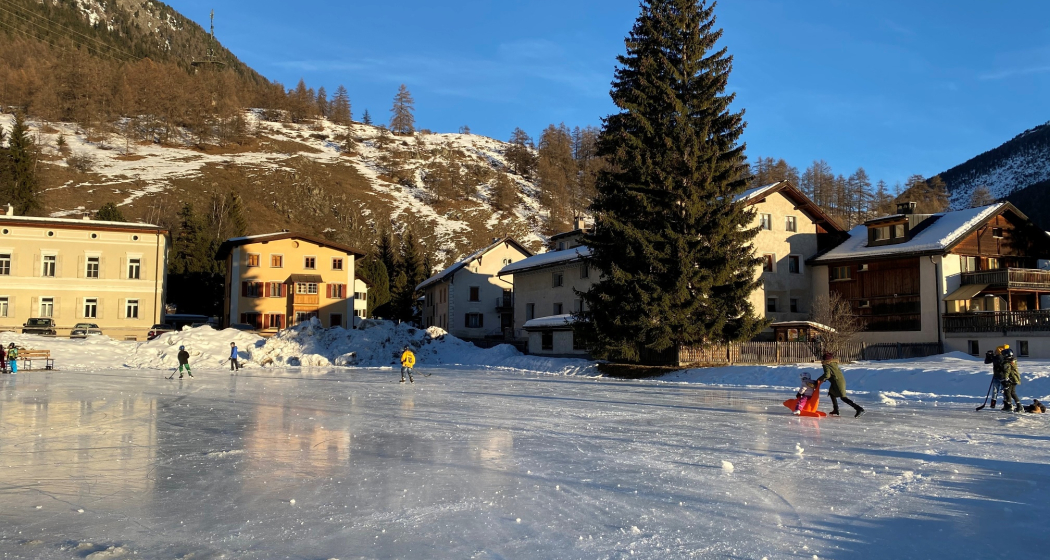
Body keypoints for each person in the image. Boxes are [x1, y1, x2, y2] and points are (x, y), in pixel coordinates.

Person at [817, 351, 864, 417]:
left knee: (843, 397)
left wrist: (819, 380)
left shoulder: (826, 364)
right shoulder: (833, 363)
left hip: (837, 382)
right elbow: (831, 374)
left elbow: (827, 375)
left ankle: (859, 408)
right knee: (831, 393)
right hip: (839, 380)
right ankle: (836, 409)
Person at [1001, 347, 1022, 412]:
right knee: (1013, 392)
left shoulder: (1007, 363)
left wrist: (1005, 379)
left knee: (1007, 392)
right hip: (1015, 379)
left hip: (1010, 379)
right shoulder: (1013, 361)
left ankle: (1009, 405)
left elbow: (1007, 371)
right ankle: (1019, 405)